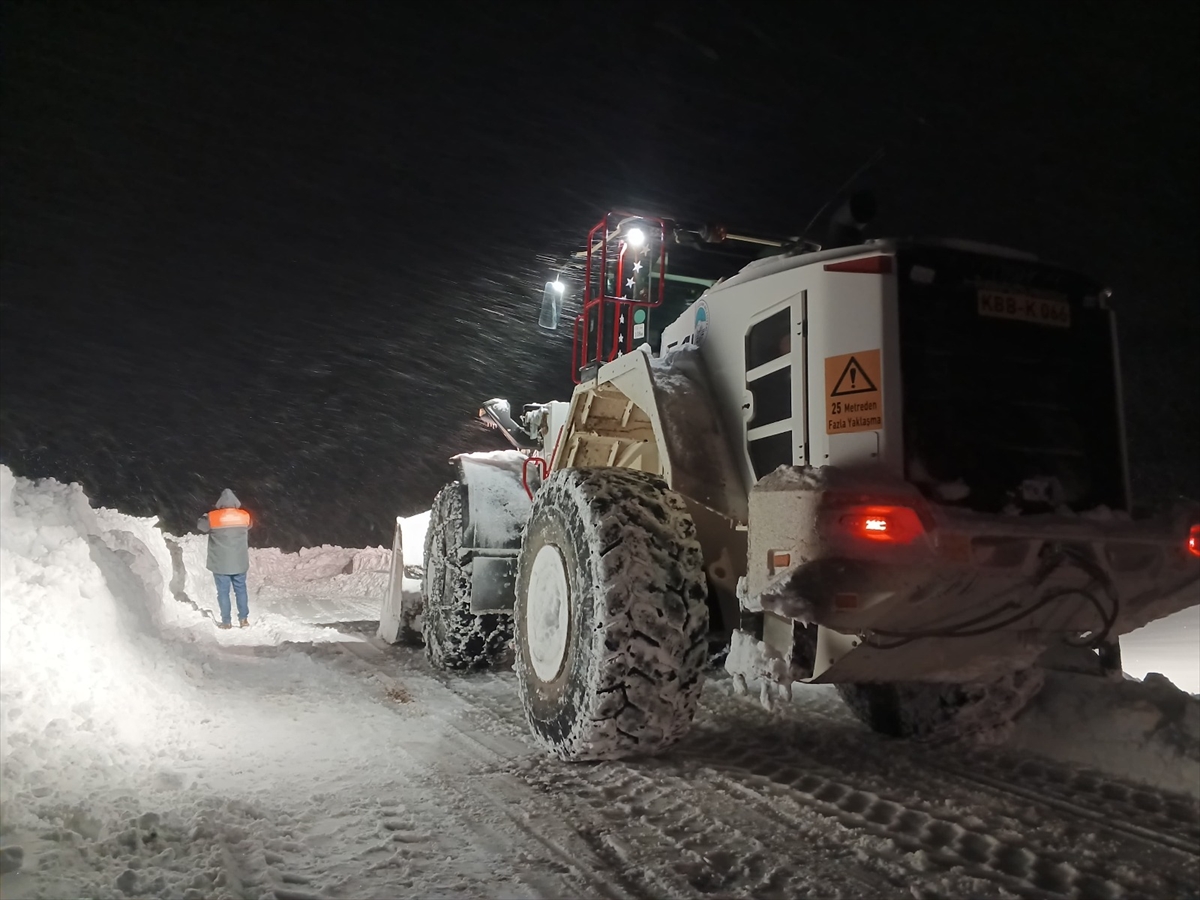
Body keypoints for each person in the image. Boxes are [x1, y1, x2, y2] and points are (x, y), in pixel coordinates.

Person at [197, 489, 253, 629]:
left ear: (220, 502)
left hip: (220, 563)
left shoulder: (213, 517)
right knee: (241, 590)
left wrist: (204, 516)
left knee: (223, 592)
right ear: (235, 502)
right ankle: (243, 619)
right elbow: (250, 525)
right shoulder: (245, 515)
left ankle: (226, 621)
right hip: (239, 562)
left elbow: (200, 526)